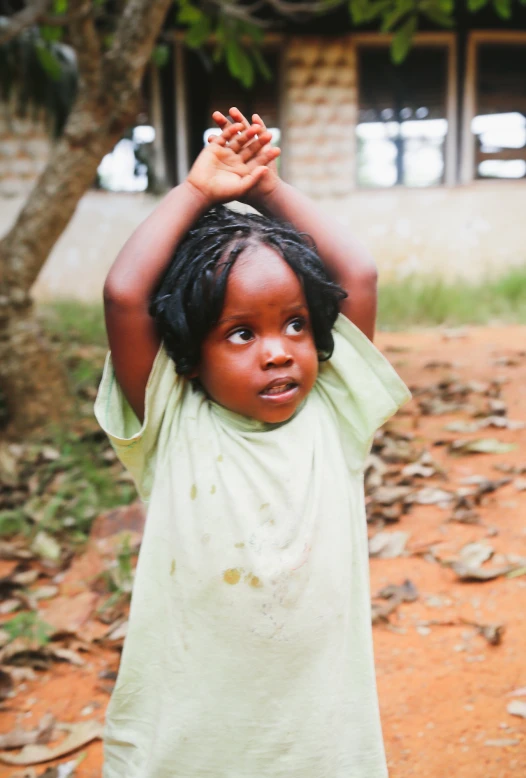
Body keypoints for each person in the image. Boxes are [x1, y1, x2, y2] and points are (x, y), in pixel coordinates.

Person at [95, 106, 411, 778]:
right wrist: (198, 192)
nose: (278, 353)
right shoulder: (172, 419)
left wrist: (267, 187)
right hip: (189, 740)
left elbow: (358, 274)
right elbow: (126, 296)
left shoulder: (336, 411)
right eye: (242, 333)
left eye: (296, 324)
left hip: (317, 740)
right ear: (187, 356)